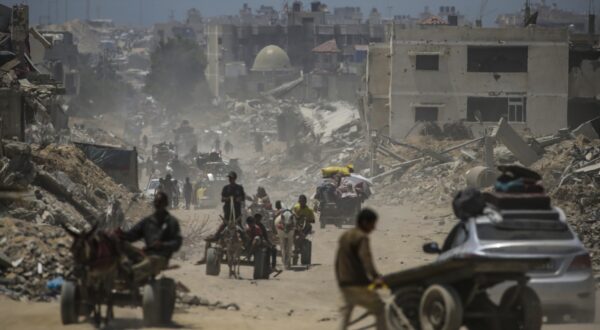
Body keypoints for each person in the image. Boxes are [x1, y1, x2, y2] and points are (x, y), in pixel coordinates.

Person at [335, 208, 385, 330]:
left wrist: (340, 281)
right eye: (372, 224)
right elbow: (366, 260)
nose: (373, 228)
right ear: (364, 222)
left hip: (345, 283)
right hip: (358, 283)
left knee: (346, 314)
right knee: (380, 308)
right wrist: (376, 277)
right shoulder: (362, 237)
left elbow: (337, 261)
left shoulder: (345, 236)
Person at [120, 192, 182, 283]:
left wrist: (163, 245)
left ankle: (129, 276)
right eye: (156, 202)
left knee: (147, 263)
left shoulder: (171, 222)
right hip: (145, 253)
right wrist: (121, 235)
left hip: (161, 257)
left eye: (160, 202)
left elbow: (177, 242)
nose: (158, 204)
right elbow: (132, 235)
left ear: (166, 204)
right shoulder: (147, 221)